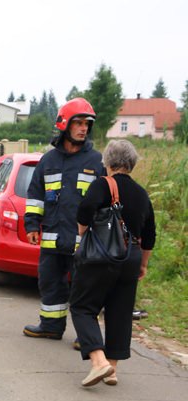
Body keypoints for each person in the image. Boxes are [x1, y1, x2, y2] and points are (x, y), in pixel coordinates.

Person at [69, 140, 155, 386]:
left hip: (102, 257)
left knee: (82, 306)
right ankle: (113, 370)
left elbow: (85, 209)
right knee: (120, 312)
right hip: (131, 258)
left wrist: (85, 235)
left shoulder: (103, 184)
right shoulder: (141, 193)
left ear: (107, 161)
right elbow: (150, 234)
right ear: (132, 163)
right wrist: (143, 264)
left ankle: (99, 362)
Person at [22, 98, 105, 342]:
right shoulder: (48, 161)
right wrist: (30, 224)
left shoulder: (96, 161)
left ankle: (86, 336)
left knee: (84, 288)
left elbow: (106, 201)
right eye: (78, 123)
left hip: (84, 241)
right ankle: (50, 326)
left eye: (86, 124)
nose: (83, 128)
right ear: (64, 125)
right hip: (52, 238)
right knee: (50, 283)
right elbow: (35, 195)